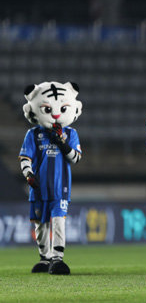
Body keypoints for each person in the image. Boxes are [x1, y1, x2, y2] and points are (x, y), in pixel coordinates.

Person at [19, 81, 83, 275]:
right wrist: (28, 174)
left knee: (58, 221)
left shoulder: (71, 133)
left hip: (60, 187)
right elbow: (25, 158)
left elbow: (76, 158)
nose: (55, 114)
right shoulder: (33, 134)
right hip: (38, 188)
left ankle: (57, 258)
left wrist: (63, 144)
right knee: (40, 224)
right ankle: (44, 258)